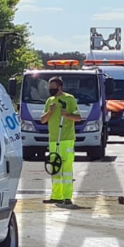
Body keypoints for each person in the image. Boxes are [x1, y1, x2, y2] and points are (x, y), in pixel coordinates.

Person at [40, 76, 82, 206]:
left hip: (66, 139)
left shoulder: (69, 99)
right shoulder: (50, 101)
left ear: (60, 87)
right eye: (50, 87)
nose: (51, 90)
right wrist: (50, 111)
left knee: (66, 169)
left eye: (53, 87)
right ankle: (56, 196)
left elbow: (78, 118)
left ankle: (67, 196)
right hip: (53, 139)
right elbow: (42, 120)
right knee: (55, 169)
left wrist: (66, 115)